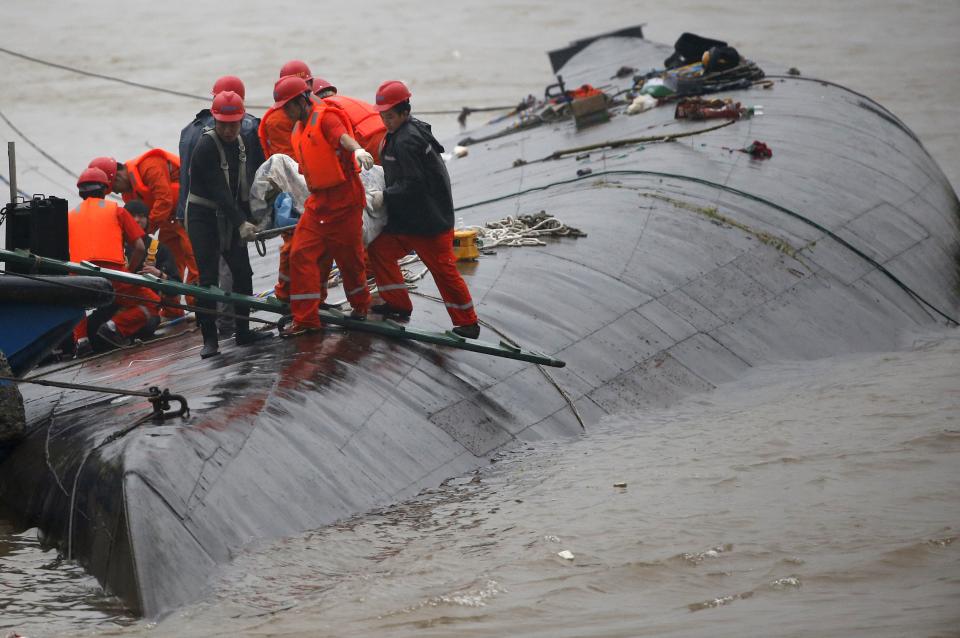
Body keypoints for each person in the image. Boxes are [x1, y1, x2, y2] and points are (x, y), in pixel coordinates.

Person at [366, 80, 480, 339]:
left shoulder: (408, 140)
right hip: (407, 221)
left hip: (428, 222)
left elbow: (415, 184)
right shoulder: (403, 132)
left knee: (444, 271)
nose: (386, 121)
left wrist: (384, 196)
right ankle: (397, 302)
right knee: (379, 249)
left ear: (405, 112)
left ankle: (468, 322)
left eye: (391, 116)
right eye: (383, 116)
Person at [272, 76, 374, 335]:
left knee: (350, 261)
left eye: (288, 107)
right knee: (300, 254)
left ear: (301, 101)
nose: (285, 113)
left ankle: (360, 305)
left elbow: (342, 138)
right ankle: (306, 319)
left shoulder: (326, 117)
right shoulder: (297, 130)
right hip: (318, 204)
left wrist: (359, 150)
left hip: (345, 201)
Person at [178, 75, 266, 336]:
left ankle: (243, 331)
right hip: (202, 216)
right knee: (208, 279)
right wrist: (241, 223)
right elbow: (219, 190)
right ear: (214, 120)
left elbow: (242, 187)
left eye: (233, 125)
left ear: (241, 120)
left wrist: (253, 219)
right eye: (223, 125)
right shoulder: (205, 146)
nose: (228, 130)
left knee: (243, 273)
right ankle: (210, 339)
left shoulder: (240, 142)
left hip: (228, 214)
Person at [68, 167, 162, 349]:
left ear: (80, 192)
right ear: (105, 190)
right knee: (152, 302)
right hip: (112, 273)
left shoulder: (70, 216)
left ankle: (81, 341)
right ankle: (114, 327)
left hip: (79, 274)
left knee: (77, 301)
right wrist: (129, 273)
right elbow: (140, 247)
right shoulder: (116, 210)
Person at [90, 151, 199, 289]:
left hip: (188, 215)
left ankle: (200, 306)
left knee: (195, 262)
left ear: (117, 177)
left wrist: (142, 233)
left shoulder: (150, 166)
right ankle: (171, 308)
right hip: (167, 220)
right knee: (170, 264)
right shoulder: (128, 195)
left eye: (114, 189)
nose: (116, 193)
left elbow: (164, 200)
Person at [259, 60, 314, 303]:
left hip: (307, 185)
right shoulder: (279, 121)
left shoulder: (307, 112)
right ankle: (285, 293)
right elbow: (289, 164)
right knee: (294, 242)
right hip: (294, 190)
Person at [125, 199, 184, 322]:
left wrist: (159, 274)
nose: (136, 220)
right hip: (119, 306)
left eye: (141, 216)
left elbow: (177, 289)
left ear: (147, 220)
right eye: (132, 216)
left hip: (147, 309)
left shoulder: (158, 249)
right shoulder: (115, 245)